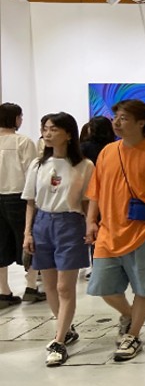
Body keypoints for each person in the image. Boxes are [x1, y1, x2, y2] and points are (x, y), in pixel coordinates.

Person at [85, 99, 145, 362]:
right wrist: (91, 221)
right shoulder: (107, 152)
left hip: (143, 231)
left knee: (143, 289)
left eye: (123, 118)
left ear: (141, 123)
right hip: (108, 232)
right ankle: (128, 315)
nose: (116, 122)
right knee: (103, 287)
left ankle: (133, 335)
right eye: (115, 118)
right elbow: (95, 191)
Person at [21, 112, 94, 366]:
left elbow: (88, 202)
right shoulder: (37, 164)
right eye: (45, 128)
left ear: (68, 134)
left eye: (53, 129)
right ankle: (66, 329)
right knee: (50, 285)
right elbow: (30, 202)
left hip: (70, 223)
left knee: (65, 287)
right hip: (42, 223)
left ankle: (59, 341)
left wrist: (91, 225)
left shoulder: (84, 165)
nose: (47, 133)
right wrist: (27, 232)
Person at [0, 102, 41, 308]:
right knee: (28, 239)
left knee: (1, 243)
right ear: (16, 118)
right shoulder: (23, 141)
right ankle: (31, 287)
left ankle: (4, 291)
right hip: (19, 197)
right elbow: (32, 173)